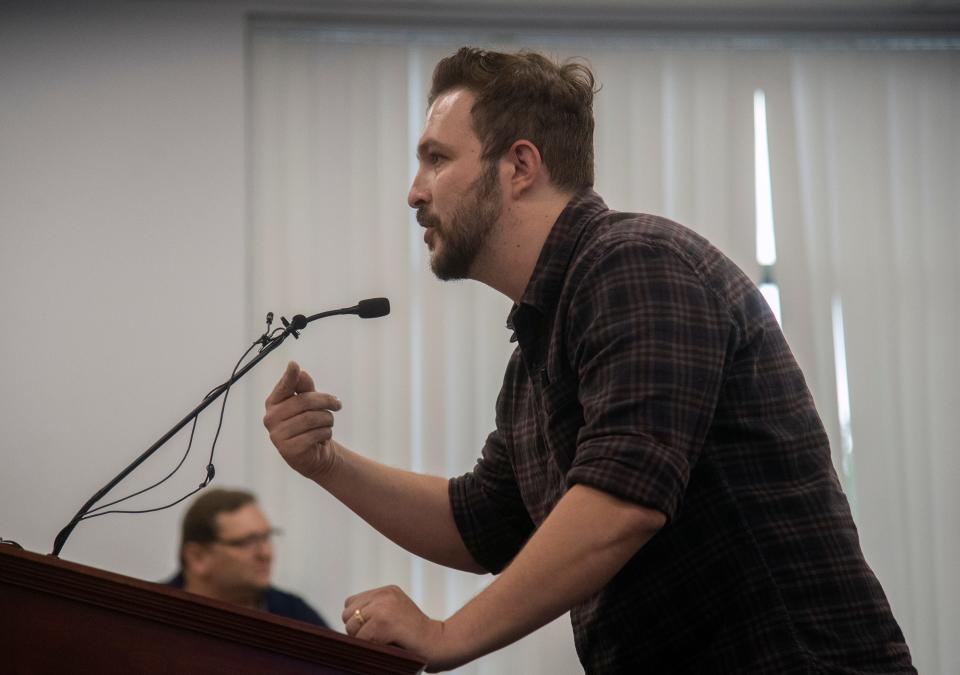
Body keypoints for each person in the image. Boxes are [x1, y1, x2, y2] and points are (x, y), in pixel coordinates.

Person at [261, 47, 914, 673]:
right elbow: (482, 525)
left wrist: (445, 634)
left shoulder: (634, 263)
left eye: (436, 158)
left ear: (519, 166)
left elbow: (623, 499)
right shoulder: (537, 355)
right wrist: (328, 463)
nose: (414, 191)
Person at [167, 488, 327, 628]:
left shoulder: (294, 616)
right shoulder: (152, 612)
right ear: (197, 558)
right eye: (248, 542)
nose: (265, 554)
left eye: (267, 537)